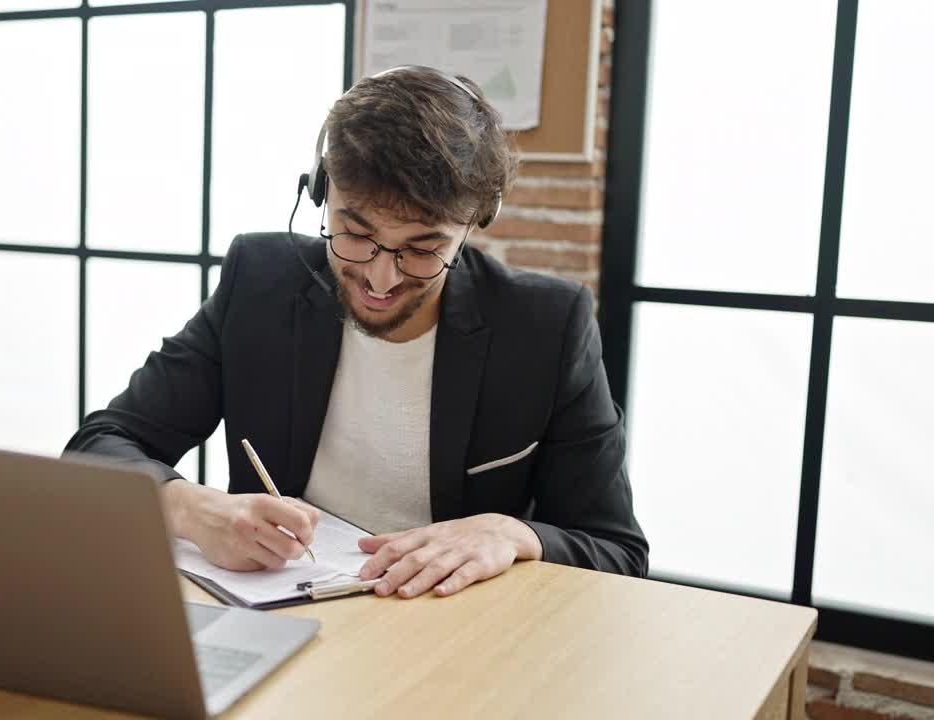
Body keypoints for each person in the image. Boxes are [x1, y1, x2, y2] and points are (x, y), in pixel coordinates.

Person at [65, 66, 647, 599]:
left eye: (422, 249)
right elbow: (100, 445)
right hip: (288, 620)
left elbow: (618, 551)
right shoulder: (261, 285)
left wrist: (513, 533)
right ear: (321, 191)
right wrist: (190, 508)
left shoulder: (546, 326)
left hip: (458, 640)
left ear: (474, 224)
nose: (380, 276)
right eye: (354, 233)